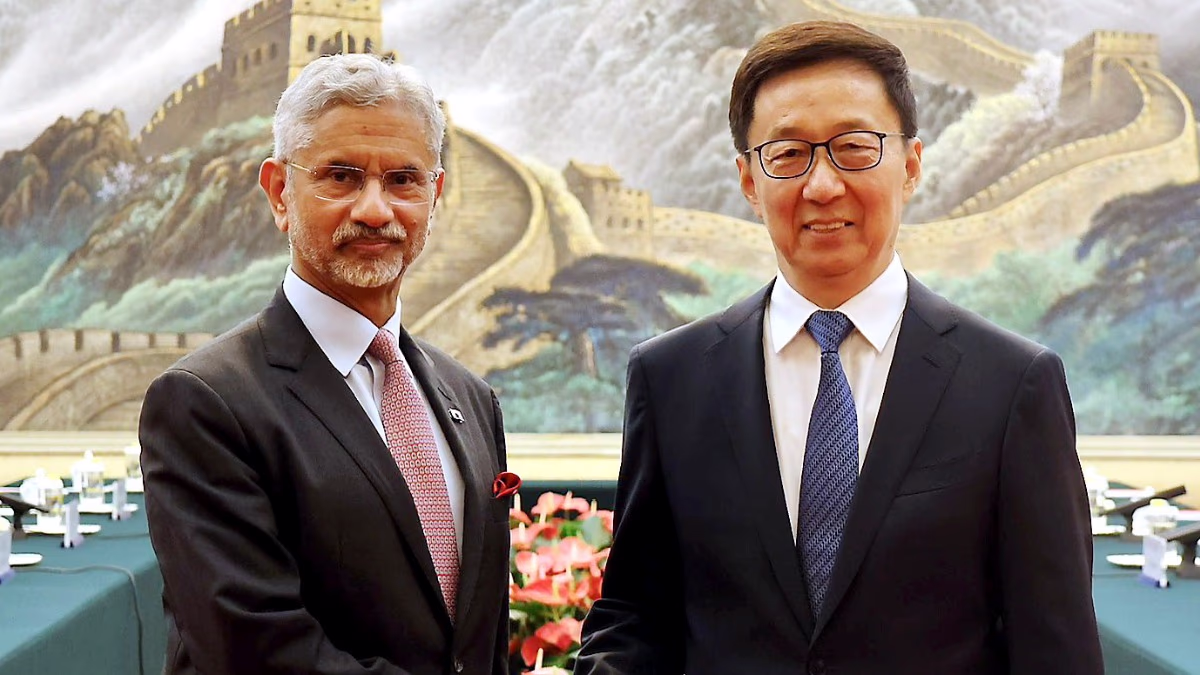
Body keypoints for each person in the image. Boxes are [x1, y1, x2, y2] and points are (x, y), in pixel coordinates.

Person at [575, 21, 1102, 675]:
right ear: (749, 180)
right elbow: (635, 614)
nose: (822, 185)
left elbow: (1055, 647)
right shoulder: (672, 378)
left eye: (854, 148)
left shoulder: (1010, 384)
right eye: (788, 154)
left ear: (910, 165)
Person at [140, 54, 511, 675]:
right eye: (341, 177)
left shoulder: (471, 400)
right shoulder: (204, 403)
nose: (375, 210)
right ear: (280, 193)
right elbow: (256, 653)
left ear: (435, 195)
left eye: (404, 179)